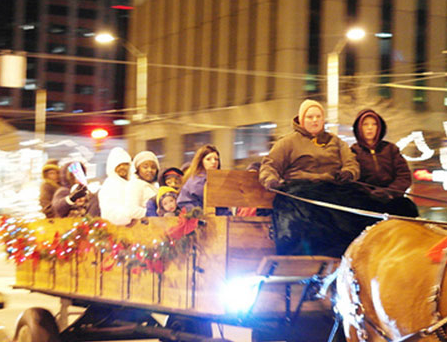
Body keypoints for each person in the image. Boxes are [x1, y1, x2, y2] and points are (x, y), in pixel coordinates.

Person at [258, 99, 376, 257]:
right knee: (306, 211)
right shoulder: (288, 142)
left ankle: (362, 250)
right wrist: (272, 181)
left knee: (366, 205)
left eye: (318, 117)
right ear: (301, 120)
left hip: (332, 189)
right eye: (310, 117)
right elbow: (269, 165)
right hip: (302, 190)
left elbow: (351, 162)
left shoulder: (335, 141)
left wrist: (348, 173)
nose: (315, 120)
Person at [350, 108, 418, 217]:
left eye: (374, 124)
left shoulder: (390, 149)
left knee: (408, 209)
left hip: (392, 199)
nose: (370, 128)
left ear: (379, 127)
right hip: (366, 202)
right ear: (359, 128)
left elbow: (404, 176)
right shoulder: (353, 152)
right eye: (365, 124)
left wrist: (389, 192)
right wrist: (370, 193)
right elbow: (353, 180)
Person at [177, 144, 231, 215]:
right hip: (201, 220)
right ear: (201, 161)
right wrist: (198, 215)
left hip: (222, 220)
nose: (213, 162)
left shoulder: (221, 180)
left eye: (216, 159)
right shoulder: (194, 181)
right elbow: (183, 202)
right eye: (208, 159)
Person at [98, 147, 136, 225]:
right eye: (118, 165)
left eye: (125, 164)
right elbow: (110, 212)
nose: (122, 167)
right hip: (116, 231)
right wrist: (131, 215)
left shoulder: (135, 183)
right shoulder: (109, 185)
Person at [127, 151, 160, 218]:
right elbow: (132, 211)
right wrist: (153, 213)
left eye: (153, 167)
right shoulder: (135, 184)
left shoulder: (155, 186)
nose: (150, 170)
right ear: (137, 169)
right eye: (145, 167)